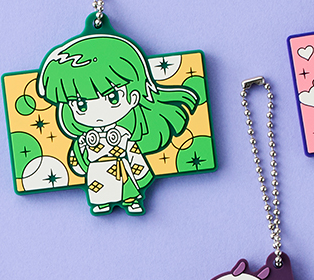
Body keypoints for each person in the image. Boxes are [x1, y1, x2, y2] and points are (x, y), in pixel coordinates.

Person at [37, 31, 199, 215]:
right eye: (81, 104)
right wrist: (81, 156)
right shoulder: (85, 139)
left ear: (134, 97)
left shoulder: (123, 135)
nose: (98, 113)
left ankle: (131, 201)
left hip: (121, 170)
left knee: (127, 190)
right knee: (99, 192)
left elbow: (134, 155)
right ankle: (102, 203)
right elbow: (77, 162)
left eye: (112, 97)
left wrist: (141, 176)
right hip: (97, 172)